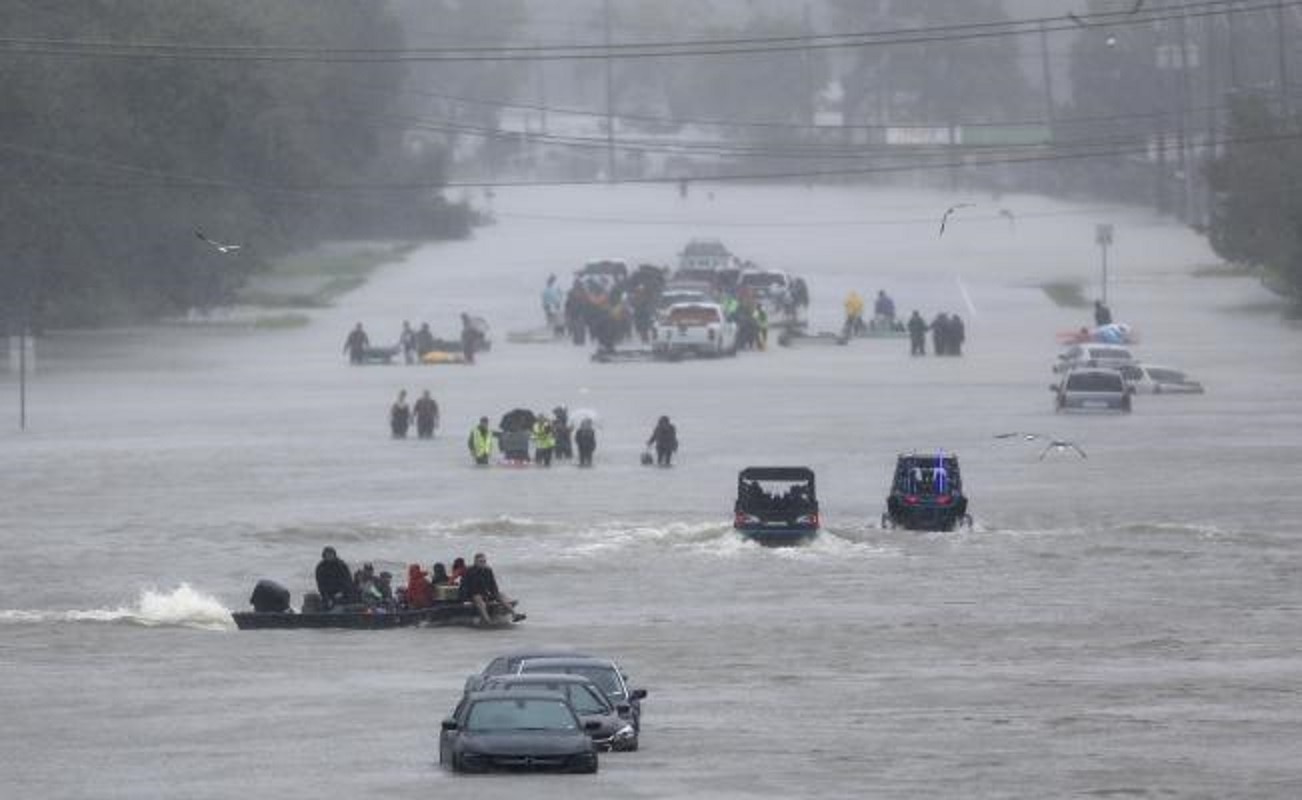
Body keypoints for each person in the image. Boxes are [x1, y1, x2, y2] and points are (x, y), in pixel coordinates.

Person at [459, 552, 523, 624]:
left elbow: (493, 585)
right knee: (478, 597)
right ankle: (487, 620)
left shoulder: (488, 570)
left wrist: (496, 594)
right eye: (481, 561)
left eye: (484, 561)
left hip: (484, 593)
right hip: (471, 595)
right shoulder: (468, 571)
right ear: (475, 562)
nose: (483, 563)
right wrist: (463, 600)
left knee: (500, 594)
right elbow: (463, 586)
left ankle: (514, 615)